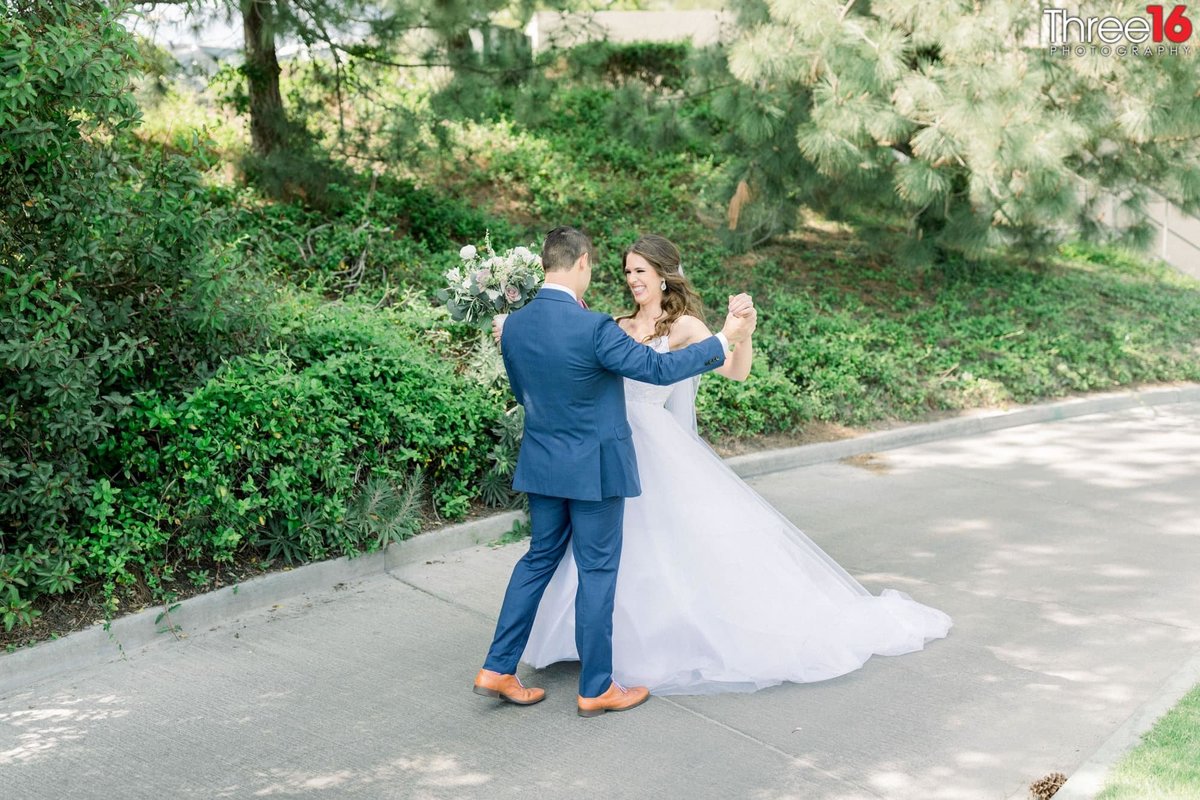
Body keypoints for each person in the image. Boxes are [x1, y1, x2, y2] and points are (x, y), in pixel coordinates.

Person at [514, 234, 952, 695]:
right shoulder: (614, 325)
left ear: (664, 275)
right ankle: (591, 648)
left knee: (659, 548)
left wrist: (741, 335)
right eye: (627, 271)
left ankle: (658, 643)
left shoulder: (684, 327)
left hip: (654, 449)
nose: (632, 279)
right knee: (599, 554)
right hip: (605, 448)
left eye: (641, 271)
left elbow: (734, 369)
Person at [473, 227, 757, 716]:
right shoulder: (597, 327)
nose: (627, 278)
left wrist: (733, 341)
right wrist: (724, 338)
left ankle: (497, 668)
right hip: (596, 466)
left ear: (546, 264)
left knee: (538, 559)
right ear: (583, 262)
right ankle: (596, 686)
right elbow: (661, 371)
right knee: (598, 568)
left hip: (543, 462)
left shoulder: (514, 326)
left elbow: (527, 395)